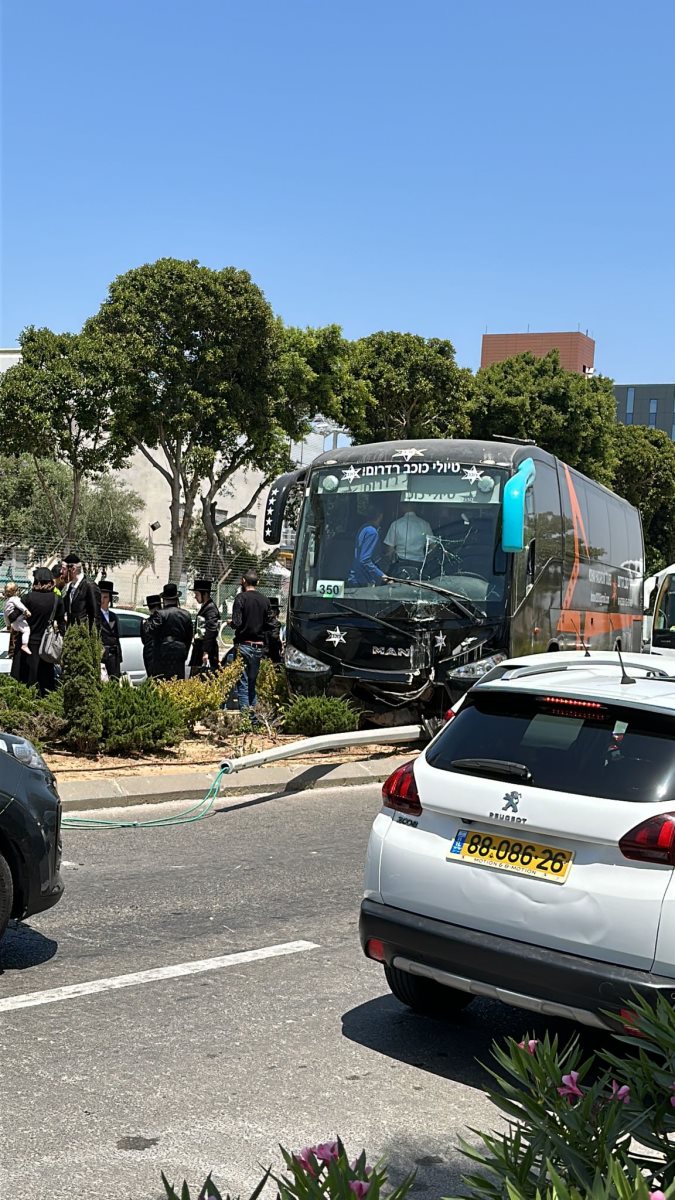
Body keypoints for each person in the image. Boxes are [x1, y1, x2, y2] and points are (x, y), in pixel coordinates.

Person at [11, 567, 65, 694]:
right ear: (50, 582)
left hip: (25, 646)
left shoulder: (27, 598)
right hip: (45, 648)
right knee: (43, 685)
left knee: (22, 684)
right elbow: (62, 625)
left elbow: (12, 617)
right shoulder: (57, 600)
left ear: (36, 582)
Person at [229, 571, 276, 716]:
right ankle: (255, 718)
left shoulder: (240, 598)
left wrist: (231, 623)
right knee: (252, 684)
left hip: (243, 645)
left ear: (243, 581)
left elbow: (237, 622)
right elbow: (271, 623)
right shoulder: (265, 600)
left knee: (242, 683)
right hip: (258, 646)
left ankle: (245, 719)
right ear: (258, 582)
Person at [148, 583, 193, 680]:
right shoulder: (186, 614)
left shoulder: (160, 614)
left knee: (161, 681)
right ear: (177, 599)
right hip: (180, 650)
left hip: (162, 651)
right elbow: (189, 637)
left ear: (164, 599)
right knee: (178, 682)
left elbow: (151, 631)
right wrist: (185, 651)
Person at [383, 501, 433, 577]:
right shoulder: (425, 524)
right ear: (415, 507)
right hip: (419, 565)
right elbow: (433, 546)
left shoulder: (396, 524)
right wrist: (427, 559)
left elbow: (390, 549)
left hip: (400, 565)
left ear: (402, 507)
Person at [347, 507, 390, 586]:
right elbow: (365, 559)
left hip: (355, 575)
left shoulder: (363, 528)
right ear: (380, 516)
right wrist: (382, 575)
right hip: (364, 579)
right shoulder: (372, 532)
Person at [189, 579, 221, 676]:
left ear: (205, 594)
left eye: (197, 594)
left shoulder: (211, 609)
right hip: (200, 648)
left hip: (205, 650)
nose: (195, 597)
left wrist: (206, 651)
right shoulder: (206, 607)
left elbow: (211, 631)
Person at [63, 553, 100, 628]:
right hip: (71, 634)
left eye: (64, 569)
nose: (61, 572)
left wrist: (91, 636)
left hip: (83, 636)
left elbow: (95, 616)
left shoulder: (89, 586)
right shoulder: (71, 587)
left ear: (73, 569)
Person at [98, 580, 122, 679]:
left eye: (106, 597)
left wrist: (119, 655)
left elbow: (116, 636)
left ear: (110, 599)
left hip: (114, 655)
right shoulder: (95, 615)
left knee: (114, 681)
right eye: (101, 597)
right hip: (102, 654)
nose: (103, 600)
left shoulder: (113, 616)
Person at [3, 582, 31, 656]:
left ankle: (12, 652)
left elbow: (5, 615)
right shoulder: (15, 599)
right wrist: (26, 611)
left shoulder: (6, 602)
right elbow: (20, 606)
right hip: (19, 620)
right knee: (26, 630)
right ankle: (25, 645)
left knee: (14, 636)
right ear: (16, 591)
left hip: (13, 624)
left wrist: (8, 624)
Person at [141, 594, 162, 679]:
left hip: (148, 652)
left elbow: (143, 640)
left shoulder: (145, 622)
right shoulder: (163, 620)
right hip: (161, 653)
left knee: (151, 677)